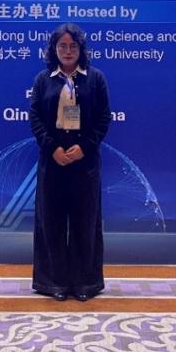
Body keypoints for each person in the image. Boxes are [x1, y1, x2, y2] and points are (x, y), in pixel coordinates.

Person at [28, 23, 111, 302]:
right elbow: (35, 118)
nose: (67, 51)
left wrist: (84, 147)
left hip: (84, 163)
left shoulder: (95, 78)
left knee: (84, 222)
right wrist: (52, 148)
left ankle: (85, 283)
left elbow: (104, 118)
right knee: (50, 222)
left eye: (73, 46)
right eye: (62, 46)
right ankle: (53, 283)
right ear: (54, 49)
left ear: (81, 49)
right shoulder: (43, 80)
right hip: (52, 162)